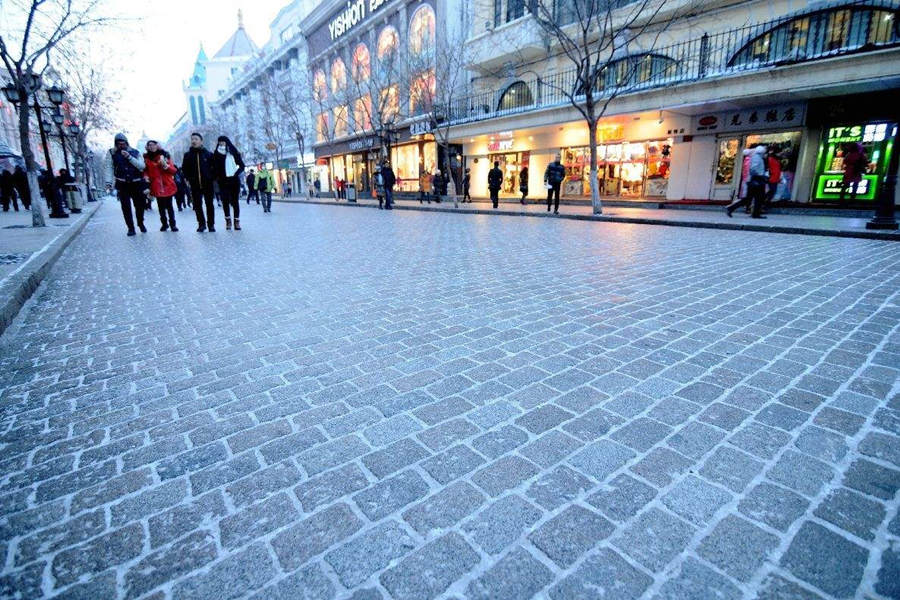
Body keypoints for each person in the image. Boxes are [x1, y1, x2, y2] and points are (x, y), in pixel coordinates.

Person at [107, 133, 147, 236]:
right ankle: (131, 228)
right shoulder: (111, 153)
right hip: (122, 183)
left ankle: (140, 222)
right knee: (126, 207)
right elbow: (109, 168)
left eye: (123, 143)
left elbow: (142, 166)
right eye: (119, 143)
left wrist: (129, 157)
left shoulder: (135, 152)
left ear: (126, 143)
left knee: (140, 206)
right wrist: (108, 182)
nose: (121, 145)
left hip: (136, 182)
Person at [181, 132, 216, 232]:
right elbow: (184, 169)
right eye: (192, 139)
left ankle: (211, 225)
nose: (193, 141)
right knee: (197, 205)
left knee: (209, 204)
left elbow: (214, 168)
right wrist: (189, 178)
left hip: (207, 184)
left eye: (196, 139)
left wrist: (211, 177)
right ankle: (201, 224)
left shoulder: (208, 154)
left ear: (201, 141)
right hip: (194, 184)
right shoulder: (187, 155)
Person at [143, 140, 179, 232]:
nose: (152, 146)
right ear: (147, 147)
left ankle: (173, 225)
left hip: (167, 184)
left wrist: (166, 166)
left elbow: (174, 170)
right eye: (149, 145)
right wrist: (145, 176)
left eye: (153, 145)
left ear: (157, 145)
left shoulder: (165, 156)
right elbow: (145, 171)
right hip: (156, 185)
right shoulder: (146, 159)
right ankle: (164, 224)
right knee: (161, 207)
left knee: (169, 206)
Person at [212, 135, 245, 230]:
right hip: (223, 181)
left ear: (227, 142)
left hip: (234, 181)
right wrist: (217, 178)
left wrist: (236, 174)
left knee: (235, 202)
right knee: (225, 202)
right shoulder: (216, 154)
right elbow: (215, 168)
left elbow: (242, 165)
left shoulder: (233, 152)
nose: (221, 143)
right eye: (219, 142)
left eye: (223, 141)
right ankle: (228, 221)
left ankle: (237, 222)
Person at [727, 145, 767, 218]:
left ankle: (731, 208)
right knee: (758, 198)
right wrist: (760, 175)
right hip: (756, 180)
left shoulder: (757, 157)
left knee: (750, 198)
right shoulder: (757, 158)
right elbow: (753, 169)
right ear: (762, 152)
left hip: (754, 180)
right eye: (764, 152)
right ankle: (755, 214)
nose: (765, 154)